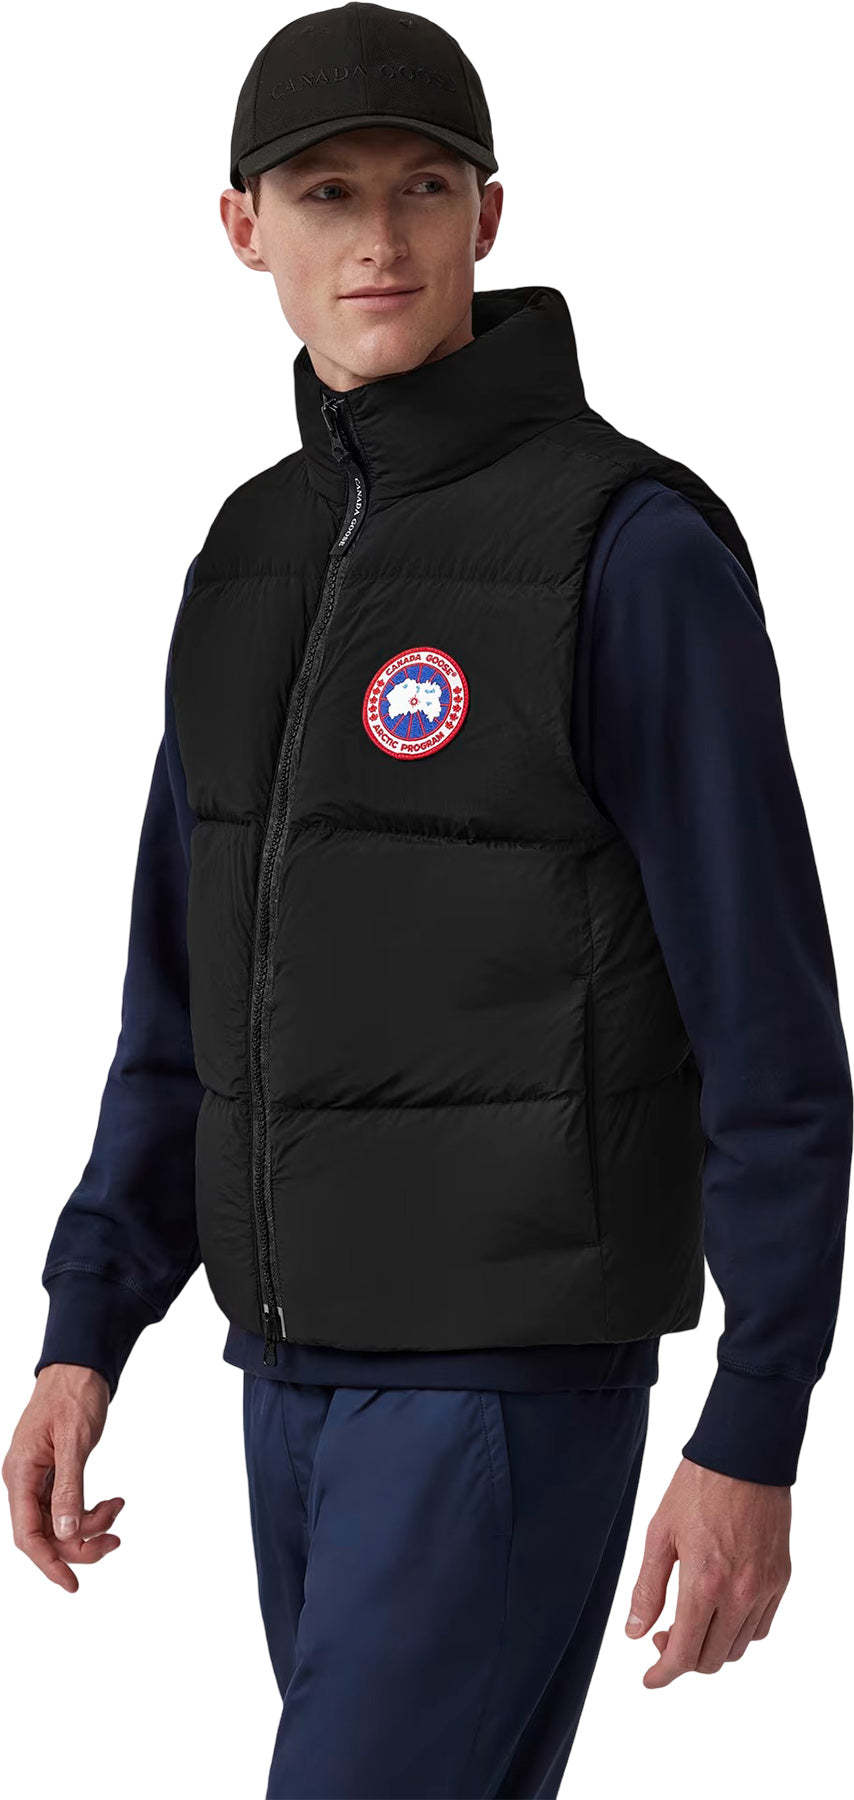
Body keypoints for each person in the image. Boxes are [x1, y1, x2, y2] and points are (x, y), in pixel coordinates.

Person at [4, 6, 851, 1796]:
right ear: (243, 228)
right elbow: (179, 998)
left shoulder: (626, 550)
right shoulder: (246, 555)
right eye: (326, 194)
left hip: (502, 1374)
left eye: (422, 188)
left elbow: (770, 1025)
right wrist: (89, 1328)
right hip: (285, 1369)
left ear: (489, 214)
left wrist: (755, 1420)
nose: (377, 239)